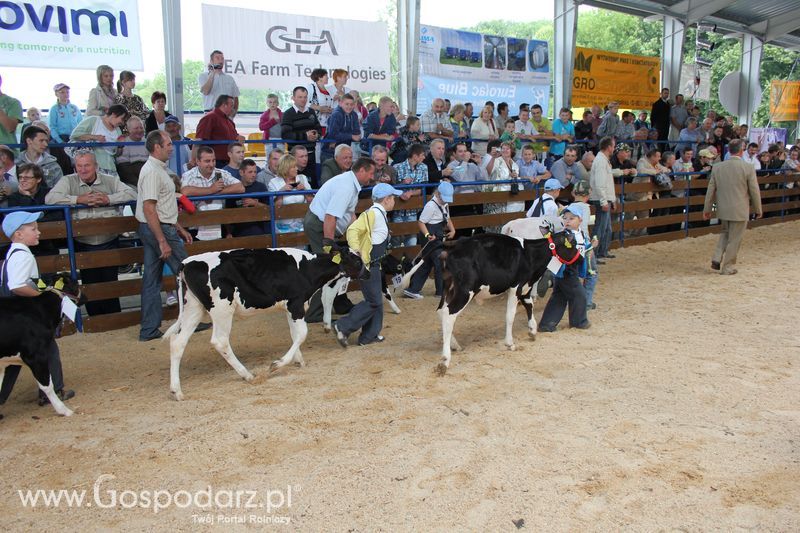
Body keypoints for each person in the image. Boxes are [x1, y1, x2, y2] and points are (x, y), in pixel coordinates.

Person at [45, 149, 137, 315]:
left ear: (96, 166)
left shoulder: (110, 180)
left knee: (110, 283)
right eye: (79, 166)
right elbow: (50, 198)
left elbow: (132, 193)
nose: (83, 169)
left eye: (87, 165)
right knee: (89, 284)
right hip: (83, 243)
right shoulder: (68, 181)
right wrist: (77, 200)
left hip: (109, 241)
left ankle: (114, 319)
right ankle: (94, 321)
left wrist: (109, 199)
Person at [0, 211, 75, 407]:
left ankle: (1, 398)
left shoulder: (13, 252)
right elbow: (17, 286)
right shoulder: (24, 256)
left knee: (11, 360)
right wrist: (44, 295)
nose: (38, 232)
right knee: (47, 350)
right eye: (33, 229)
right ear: (19, 234)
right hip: (23, 314)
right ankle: (54, 391)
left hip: (13, 314)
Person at [137, 131, 206, 341]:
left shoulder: (156, 169)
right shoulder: (152, 171)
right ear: (157, 147)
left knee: (151, 279)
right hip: (158, 228)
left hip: (157, 226)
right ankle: (190, 320)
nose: (171, 147)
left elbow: (159, 205)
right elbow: (149, 207)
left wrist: (177, 226)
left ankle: (148, 329)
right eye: (167, 144)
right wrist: (162, 240)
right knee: (188, 273)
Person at [303, 157, 377, 322]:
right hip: (319, 226)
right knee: (326, 267)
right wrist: (329, 246)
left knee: (335, 267)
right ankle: (314, 313)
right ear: (362, 170)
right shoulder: (346, 187)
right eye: (370, 173)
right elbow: (330, 217)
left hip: (321, 225)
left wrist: (359, 234)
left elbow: (350, 214)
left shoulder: (350, 184)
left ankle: (338, 304)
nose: (371, 177)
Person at [333, 183, 405, 348]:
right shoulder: (374, 214)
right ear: (386, 199)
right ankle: (343, 326)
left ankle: (369, 335)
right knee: (373, 302)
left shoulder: (378, 213)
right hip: (368, 265)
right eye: (392, 197)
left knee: (375, 300)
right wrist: (356, 250)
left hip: (374, 264)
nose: (394, 200)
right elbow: (352, 230)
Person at [702, 139, 763, 275]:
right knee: (735, 239)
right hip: (739, 209)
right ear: (741, 151)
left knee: (725, 233)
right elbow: (754, 190)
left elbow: (710, 191)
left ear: (729, 150)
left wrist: (707, 209)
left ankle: (717, 257)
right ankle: (727, 267)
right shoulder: (748, 168)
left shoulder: (717, 167)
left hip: (723, 208)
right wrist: (758, 209)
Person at [537, 204, 591, 332]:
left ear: (580, 220)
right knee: (579, 295)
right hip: (566, 270)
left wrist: (591, 245)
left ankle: (547, 324)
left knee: (559, 297)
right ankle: (579, 322)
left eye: (571, 218)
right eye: (565, 218)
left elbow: (584, 249)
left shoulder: (581, 234)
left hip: (571, 269)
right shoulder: (563, 235)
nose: (567, 221)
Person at [403, 181, 456, 299]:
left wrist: (452, 230)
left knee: (427, 262)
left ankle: (413, 289)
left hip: (438, 234)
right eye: (444, 198)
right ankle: (441, 291)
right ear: (437, 194)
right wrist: (427, 235)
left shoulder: (445, 204)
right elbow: (421, 222)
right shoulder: (430, 206)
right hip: (429, 236)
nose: (446, 201)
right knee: (439, 261)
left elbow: (447, 218)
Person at [180, 145, 244, 240]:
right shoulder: (189, 175)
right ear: (198, 162)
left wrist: (215, 192)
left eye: (213, 160)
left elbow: (240, 187)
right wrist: (211, 190)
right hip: (195, 224)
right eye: (207, 161)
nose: (211, 164)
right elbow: (184, 191)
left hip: (219, 222)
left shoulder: (220, 173)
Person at [6, 164, 62, 256]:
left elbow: (58, 215)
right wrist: (26, 197)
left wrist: (33, 220)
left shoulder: (48, 193)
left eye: (27, 177)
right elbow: (18, 220)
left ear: (38, 179)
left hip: (48, 242)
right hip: (24, 246)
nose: (22, 180)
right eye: (20, 177)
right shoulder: (14, 197)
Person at [69, 104, 128, 176]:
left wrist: (120, 146)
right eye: (122, 119)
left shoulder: (118, 131)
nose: (122, 123)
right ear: (113, 114)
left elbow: (117, 154)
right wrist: (94, 137)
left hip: (110, 167)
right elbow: (74, 136)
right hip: (91, 167)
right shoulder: (93, 121)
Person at [281, 86, 322, 186]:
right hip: (295, 159)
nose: (303, 99)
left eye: (305, 97)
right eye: (300, 97)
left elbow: (319, 129)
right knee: (295, 185)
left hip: (311, 156)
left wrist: (317, 135)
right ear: (293, 98)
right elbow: (285, 135)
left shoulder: (311, 112)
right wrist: (305, 136)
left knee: (312, 185)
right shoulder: (288, 114)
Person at [391, 143, 429, 246]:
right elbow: (392, 187)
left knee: (412, 241)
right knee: (396, 241)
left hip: (413, 211)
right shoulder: (397, 167)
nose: (424, 157)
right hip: (398, 210)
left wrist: (411, 193)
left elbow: (423, 188)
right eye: (422, 155)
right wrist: (402, 183)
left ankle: (410, 261)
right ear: (415, 156)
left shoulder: (424, 167)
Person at [268, 154, 312, 234]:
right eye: (294, 167)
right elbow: (276, 207)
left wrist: (304, 190)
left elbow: (311, 201)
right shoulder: (274, 182)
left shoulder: (302, 178)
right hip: (282, 225)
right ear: (286, 168)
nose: (297, 169)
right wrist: (281, 192)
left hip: (302, 223)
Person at [571, 180, 598, 310]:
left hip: (570, 244)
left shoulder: (568, 207)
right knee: (591, 272)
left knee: (574, 273)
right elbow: (583, 227)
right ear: (588, 194)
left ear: (573, 193)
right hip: (583, 243)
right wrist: (589, 246)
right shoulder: (585, 208)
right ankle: (586, 302)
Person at [589, 136, 617, 259]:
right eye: (613, 146)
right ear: (609, 147)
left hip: (604, 197)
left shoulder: (603, 160)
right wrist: (604, 201)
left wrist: (611, 199)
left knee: (605, 228)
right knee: (600, 227)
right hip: (602, 198)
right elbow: (600, 184)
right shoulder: (601, 161)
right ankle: (594, 254)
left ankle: (601, 251)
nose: (614, 148)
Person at [194, 95, 240, 168]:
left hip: (228, 161)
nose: (233, 109)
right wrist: (194, 160)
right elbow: (198, 140)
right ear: (224, 105)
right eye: (231, 106)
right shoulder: (209, 118)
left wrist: (238, 137)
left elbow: (234, 136)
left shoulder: (229, 121)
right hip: (215, 162)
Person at [226, 159, 269, 237]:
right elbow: (227, 213)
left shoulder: (261, 187)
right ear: (241, 173)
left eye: (255, 172)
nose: (253, 175)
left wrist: (255, 203)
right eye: (250, 172)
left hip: (259, 229)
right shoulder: (234, 189)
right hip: (238, 229)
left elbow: (270, 209)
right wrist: (228, 233)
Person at [323, 94, 361, 159]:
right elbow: (333, 134)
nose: (349, 106)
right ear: (340, 103)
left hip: (345, 150)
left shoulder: (354, 115)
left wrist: (355, 136)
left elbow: (356, 132)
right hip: (331, 151)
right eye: (347, 104)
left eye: (351, 104)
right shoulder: (336, 114)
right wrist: (351, 136)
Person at [115, 116, 149, 186]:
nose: (139, 130)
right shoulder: (124, 143)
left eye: (141, 128)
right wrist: (139, 184)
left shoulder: (148, 142)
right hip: (132, 182)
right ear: (129, 130)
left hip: (148, 177)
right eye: (136, 128)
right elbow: (124, 169)